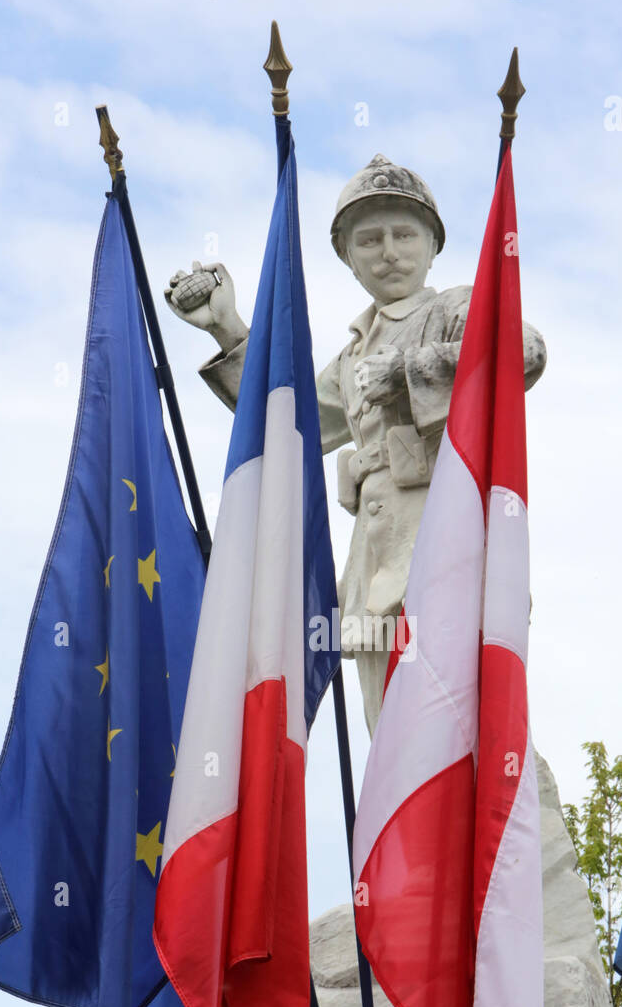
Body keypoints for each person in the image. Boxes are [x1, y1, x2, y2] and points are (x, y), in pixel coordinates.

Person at [166, 155, 546, 733]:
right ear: (347, 259)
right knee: (391, 738)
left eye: (403, 234)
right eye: (368, 240)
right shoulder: (351, 353)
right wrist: (227, 327)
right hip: (373, 578)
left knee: (469, 734)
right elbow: (289, 422)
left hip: (449, 554)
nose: (388, 251)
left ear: (433, 245)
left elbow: (522, 352)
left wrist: (409, 369)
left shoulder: (453, 309)